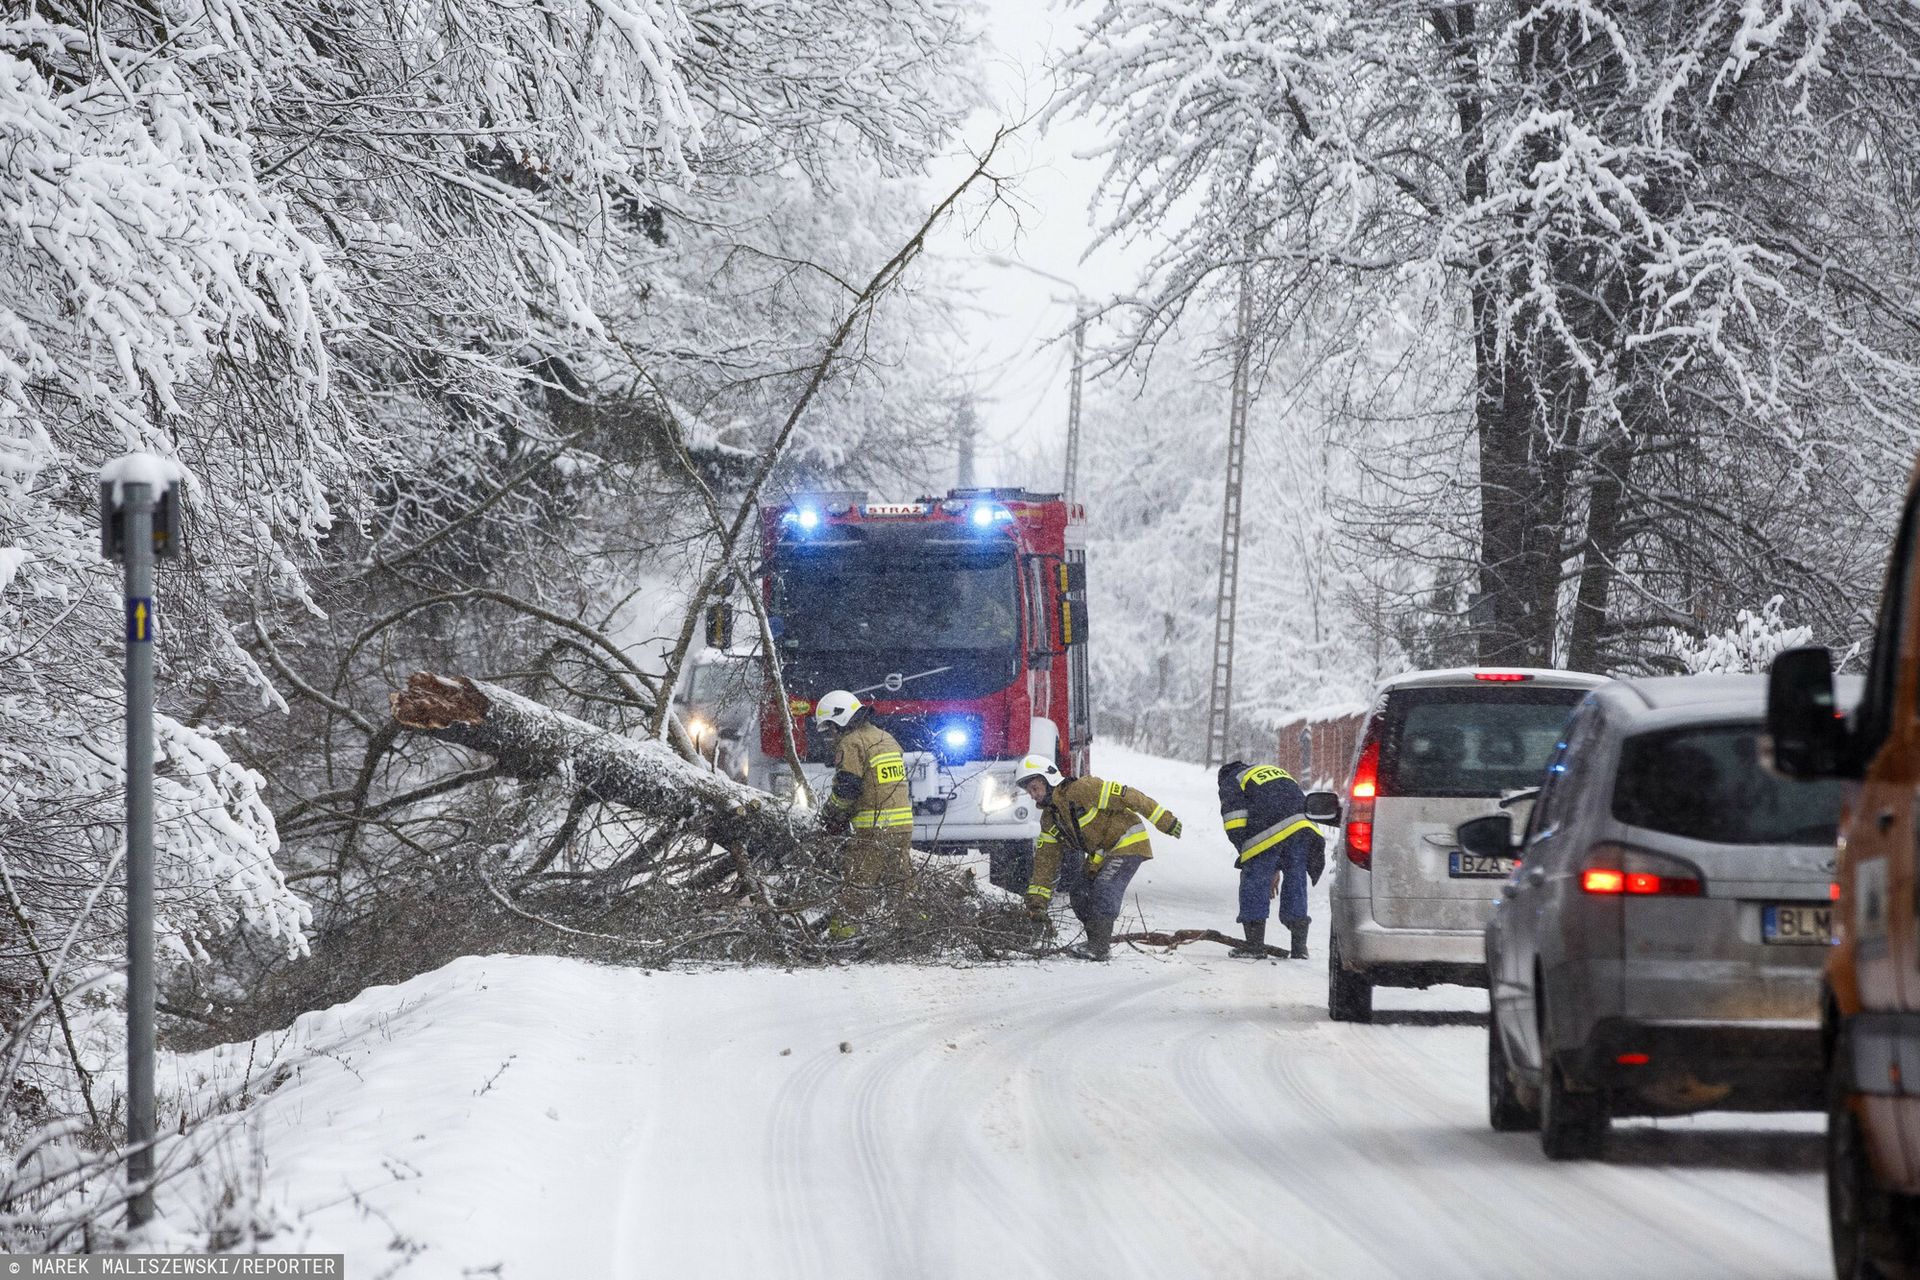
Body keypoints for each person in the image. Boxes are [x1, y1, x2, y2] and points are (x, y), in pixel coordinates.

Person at [1013, 754, 1182, 961]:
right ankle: (1095, 941)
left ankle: (1100, 946)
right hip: (1102, 854)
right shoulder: (1050, 819)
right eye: (1029, 791)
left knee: (1105, 887)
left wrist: (1165, 821)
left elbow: (1130, 796)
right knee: (1079, 892)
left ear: (1049, 779)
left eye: (1034, 788)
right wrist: (1036, 905)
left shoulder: (1083, 789)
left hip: (1128, 841)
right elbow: (1045, 864)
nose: (1032, 795)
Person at [812, 690, 913, 939]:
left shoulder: (852, 742)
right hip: (902, 827)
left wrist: (830, 816)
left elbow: (847, 788)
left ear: (841, 720)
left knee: (856, 886)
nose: (831, 736)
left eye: (831, 729)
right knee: (901, 885)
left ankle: (842, 937)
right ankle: (912, 932)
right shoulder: (886, 738)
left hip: (873, 829)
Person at [1217, 761, 1326, 958]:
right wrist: (1275, 867)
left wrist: (1248, 855)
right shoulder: (1271, 770)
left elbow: (1235, 823)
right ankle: (1299, 948)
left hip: (1267, 825)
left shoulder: (1231, 780)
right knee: (1296, 879)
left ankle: (1254, 946)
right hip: (1303, 826)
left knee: (1255, 880)